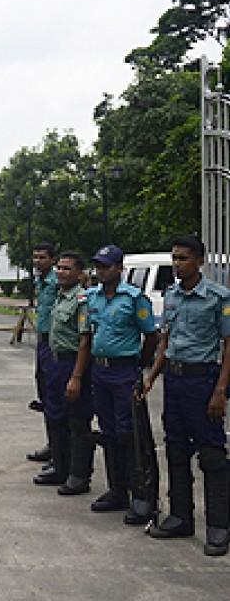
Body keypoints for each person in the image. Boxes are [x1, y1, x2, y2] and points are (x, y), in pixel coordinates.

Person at [140, 235, 230, 555]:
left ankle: (219, 525)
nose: (177, 263)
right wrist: (151, 378)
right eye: (175, 258)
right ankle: (180, 516)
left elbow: (228, 346)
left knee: (212, 455)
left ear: (200, 262)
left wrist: (220, 391)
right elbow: (166, 339)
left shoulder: (219, 298)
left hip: (201, 382)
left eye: (184, 258)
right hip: (174, 382)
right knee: (176, 451)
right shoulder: (173, 295)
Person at [78, 244, 158, 524]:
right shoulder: (93, 298)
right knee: (109, 433)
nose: (100, 271)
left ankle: (142, 496)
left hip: (124, 371)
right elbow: (89, 334)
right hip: (100, 373)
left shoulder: (135, 298)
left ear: (119, 269)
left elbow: (151, 336)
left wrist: (139, 366)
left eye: (106, 266)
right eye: (98, 266)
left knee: (132, 434)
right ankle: (117, 490)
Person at [42, 251, 96, 494]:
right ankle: (60, 468)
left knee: (77, 420)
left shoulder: (81, 299)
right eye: (59, 268)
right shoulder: (60, 297)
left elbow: (85, 341)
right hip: (55, 362)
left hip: (73, 363)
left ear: (79, 273)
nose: (61, 272)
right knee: (56, 417)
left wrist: (76, 377)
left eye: (66, 269)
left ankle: (79, 475)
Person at [27, 243, 59, 467]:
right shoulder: (41, 281)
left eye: (42, 257)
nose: (38, 261)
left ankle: (61, 452)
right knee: (45, 396)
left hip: (55, 343)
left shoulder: (58, 282)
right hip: (42, 344)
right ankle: (53, 444)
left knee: (55, 397)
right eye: (35, 257)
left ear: (53, 260)